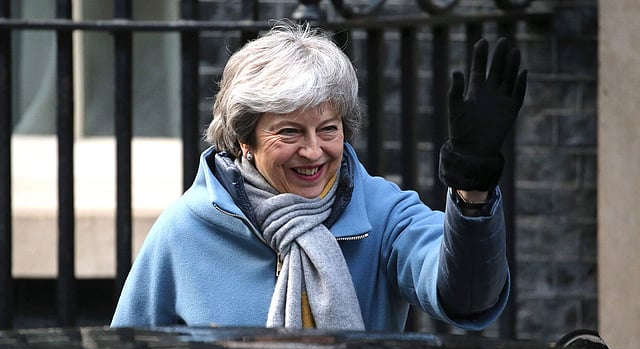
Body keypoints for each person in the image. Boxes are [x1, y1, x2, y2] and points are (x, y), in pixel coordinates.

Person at [111, 21, 527, 332]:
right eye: (289, 131)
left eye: (328, 129)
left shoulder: (383, 215)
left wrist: (473, 184)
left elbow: (469, 299)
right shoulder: (186, 229)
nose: (313, 151)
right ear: (244, 140)